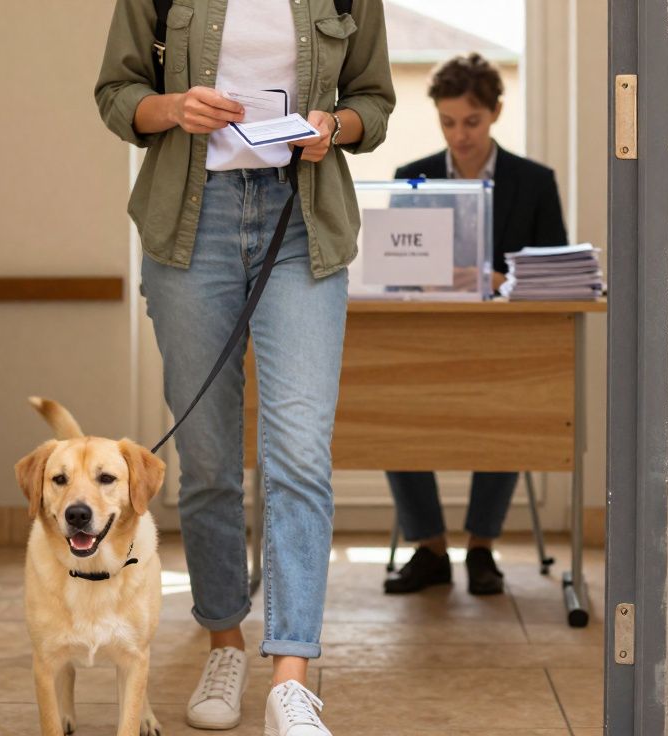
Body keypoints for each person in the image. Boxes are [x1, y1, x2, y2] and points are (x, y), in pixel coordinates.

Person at [95, 1, 394, 733]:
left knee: (300, 455)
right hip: (191, 225)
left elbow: (374, 101)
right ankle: (224, 644)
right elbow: (116, 93)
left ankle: (290, 679)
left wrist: (335, 127)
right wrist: (174, 108)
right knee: (207, 461)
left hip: (302, 224)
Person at [384, 53, 568, 598]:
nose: (459, 136)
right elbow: (394, 271)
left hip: (505, 346)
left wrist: (498, 278)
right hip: (425, 343)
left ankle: (481, 546)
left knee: (509, 407)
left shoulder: (533, 182)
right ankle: (431, 548)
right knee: (392, 407)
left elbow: (554, 273)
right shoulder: (411, 177)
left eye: (471, 122)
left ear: (495, 114)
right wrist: (425, 278)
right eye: (448, 122)